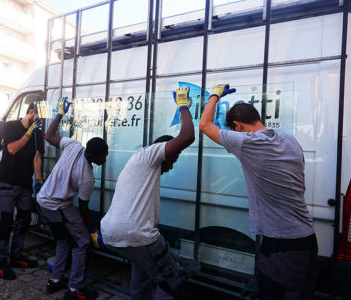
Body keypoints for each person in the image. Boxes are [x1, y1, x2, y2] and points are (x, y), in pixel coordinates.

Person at [199, 84, 318, 300]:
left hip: (282, 245)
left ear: (238, 126)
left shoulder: (248, 143)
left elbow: (205, 125)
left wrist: (214, 95)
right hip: (307, 239)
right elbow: (301, 187)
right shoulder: (290, 140)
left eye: (234, 130)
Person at [100, 87, 195, 300]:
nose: (171, 167)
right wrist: (183, 106)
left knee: (142, 276)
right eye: (172, 159)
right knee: (170, 283)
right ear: (165, 151)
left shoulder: (142, 163)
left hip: (115, 233)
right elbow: (188, 136)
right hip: (137, 234)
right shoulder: (150, 154)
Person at [36, 97, 108, 300]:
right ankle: (75, 289)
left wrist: (59, 113)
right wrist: (92, 231)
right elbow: (83, 208)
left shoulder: (74, 145)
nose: (105, 158)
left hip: (43, 200)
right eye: (104, 156)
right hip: (56, 204)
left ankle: (56, 280)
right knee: (81, 242)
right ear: (94, 156)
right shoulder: (87, 177)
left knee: (64, 239)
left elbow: (48, 135)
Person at [0, 102, 44, 280]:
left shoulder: (38, 131)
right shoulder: (11, 126)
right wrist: (29, 132)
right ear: (31, 112)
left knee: (24, 220)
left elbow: (37, 156)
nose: (41, 120)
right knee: (5, 222)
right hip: (6, 182)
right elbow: (12, 149)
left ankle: (16, 257)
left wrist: (38, 179)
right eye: (39, 116)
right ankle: (0, 263)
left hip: (24, 185)